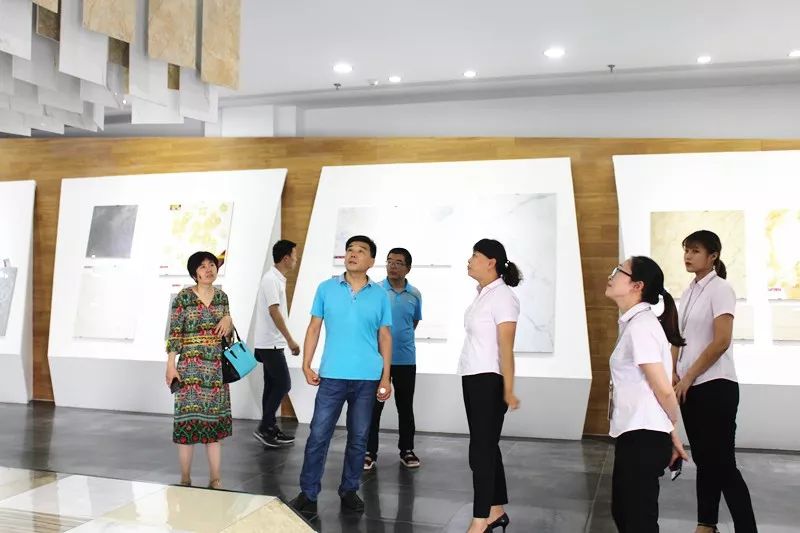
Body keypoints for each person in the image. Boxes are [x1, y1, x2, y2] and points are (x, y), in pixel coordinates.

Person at [289, 235, 393, 518]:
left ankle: (349, 490)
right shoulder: (326, 288)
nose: (353, 254)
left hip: (368, 378)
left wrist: (386, 377)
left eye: (360, 251)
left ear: (371, 260)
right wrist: (306, 364)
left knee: (359, 438)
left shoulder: (380, 295)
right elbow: (314, 327)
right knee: (318, 435)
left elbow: (385, 336)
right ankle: (308, 492)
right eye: (350, 250)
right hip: (332, 376)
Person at [673, 230, 757, 533]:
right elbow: (679, 338)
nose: (688, 256)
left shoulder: (721, 289)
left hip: (715, 385)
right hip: (690, 387)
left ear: (713, 256)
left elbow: (721, 341)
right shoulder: (689, 291)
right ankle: (706, 524)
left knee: (722, 464)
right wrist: (674, 372)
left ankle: (746, 528)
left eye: (695, 251)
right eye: (686, 250)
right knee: (705, 461)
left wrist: (689, 375)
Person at [605, 256, 689, 532]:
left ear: (637, 285)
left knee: (637, 520)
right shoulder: (635, 323)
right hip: (637, 434)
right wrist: (670, 432)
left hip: (643, 438)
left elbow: (663, 390)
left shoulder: (641, 326)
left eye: (618, 271)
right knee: (626, 515)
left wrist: (671, 427)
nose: (611, 276)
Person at [460, 238, 521, 533]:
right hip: (473, 376)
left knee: (480, 452)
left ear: (491, 262)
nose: (469, 260)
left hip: (489, 380)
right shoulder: (482, 295)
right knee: (487, 446)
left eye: (475, 255)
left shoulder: (503, 297)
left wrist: (508, 389)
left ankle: (480, 519)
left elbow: (506, 348)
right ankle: (496, 510)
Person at [165, 251, 233, 489]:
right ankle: (185, 478)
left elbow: (227, 337)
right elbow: (175, 334)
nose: (208, 269)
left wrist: (229, 321)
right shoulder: (183, 297)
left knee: (214, 428)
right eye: (202, 266)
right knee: (187, 425)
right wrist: (171, 365)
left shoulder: (222, 297)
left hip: (215, 369)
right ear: (194, 273)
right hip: (189, 370)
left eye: (212, 265)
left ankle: (215, 478)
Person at [365, 247, 423, 471]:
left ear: (408, 268)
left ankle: (407, 450)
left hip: (406, 360)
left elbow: (413, 323)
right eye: (390, 261)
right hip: (379, 361)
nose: (393, 266)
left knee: (405, 407)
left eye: (398, 263)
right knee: (373, 408)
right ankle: (369, 452)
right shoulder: (376, 291)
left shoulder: (415, 294)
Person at [252, 239, 301, 448]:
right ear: (286, 258)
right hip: (270, 343)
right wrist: (290, 340)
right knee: (283, 384)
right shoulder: (271, 279)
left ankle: (269, 427)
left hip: (270, 343)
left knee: (272, 385)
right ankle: (265, 427)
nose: (296, 260)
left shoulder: (276, 279)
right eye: (295, 256)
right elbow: (274, 311)